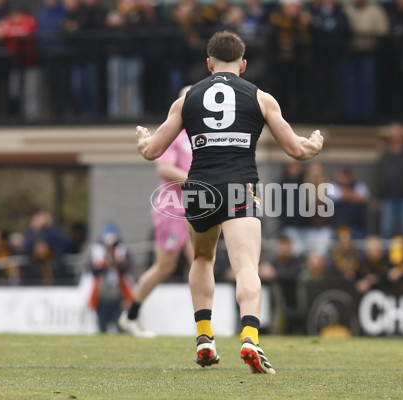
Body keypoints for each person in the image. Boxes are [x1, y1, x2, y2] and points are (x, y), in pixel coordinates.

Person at [136, 31, 323, 374]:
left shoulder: (187, 98)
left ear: (209, 64)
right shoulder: (261, 97)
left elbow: (152, 152)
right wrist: (315, 144)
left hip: (198, 188)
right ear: (244, 64)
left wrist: (143, 140)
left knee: (203, 257)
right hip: (239, 186)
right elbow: (297, 150)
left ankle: (204, 338)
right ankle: (250, 337)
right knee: (246, 266)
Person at [119, 86, 194, 338]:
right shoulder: (173, 132)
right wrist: (195, 179)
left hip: (194, 208)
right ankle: (131, 315)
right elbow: (164, 168)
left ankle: (204, 325)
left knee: (201, 262)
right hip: (173, 209)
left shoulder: (199, 134)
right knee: (165, 266)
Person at [88, 224, 134, 333]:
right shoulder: (96, 250)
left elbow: (127, 267)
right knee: (102, 326)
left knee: (120, 326)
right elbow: (92, 269)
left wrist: (115, 263)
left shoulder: (122, 250)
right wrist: (105, 264)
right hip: (102, 294)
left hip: (118, 294)